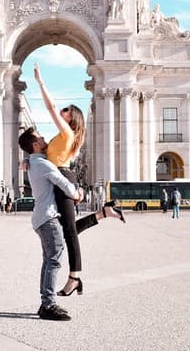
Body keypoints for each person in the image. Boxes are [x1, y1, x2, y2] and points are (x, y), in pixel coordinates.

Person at [34, 63, 123, 298]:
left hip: (62, 178)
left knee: (69, 233)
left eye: (65, 110)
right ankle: (104, 213)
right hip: (61, 177)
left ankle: (74, 277)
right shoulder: (65, 137)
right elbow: (48, 156)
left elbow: (50, 106)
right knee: (68, 230)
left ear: (71, 117)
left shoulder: (67, 133)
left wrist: (40, 82)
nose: (60, 111)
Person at [19, 127, 83, 321]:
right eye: (40, 137)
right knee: (54, 259)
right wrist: (77, 194)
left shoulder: (34, 162)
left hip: (42, 217)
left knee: (49, 260)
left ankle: (46, 303)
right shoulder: (43, 164)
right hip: (48, 217)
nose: (45, 138)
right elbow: (62, 182)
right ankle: (48, 304)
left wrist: (27, 160)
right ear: (35, 144)